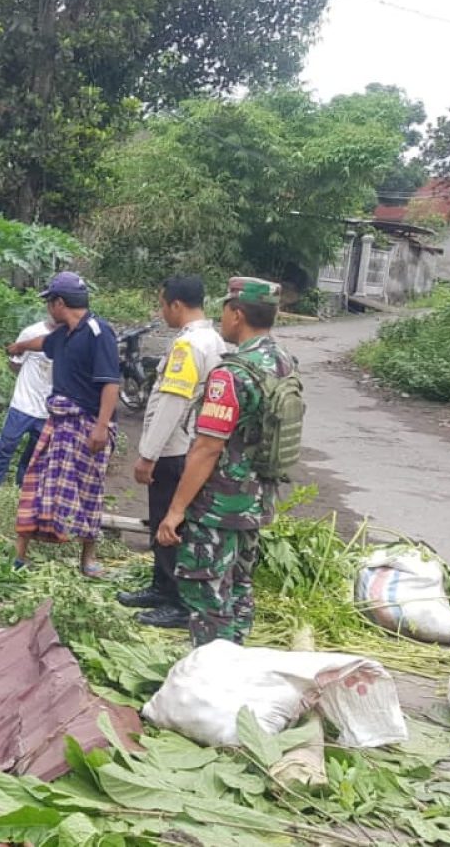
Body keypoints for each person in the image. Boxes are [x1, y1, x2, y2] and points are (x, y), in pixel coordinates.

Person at [157, 277, 300, 646]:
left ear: (237, 314)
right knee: (238, 586)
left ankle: (212, 666)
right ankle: (234, 656)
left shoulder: (231, 374)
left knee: (207, 592)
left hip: (219, 505)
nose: (221, 319)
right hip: (257, 499)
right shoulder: (283, 361)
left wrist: (176, 510)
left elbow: (207, 447)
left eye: (224, 311)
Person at [117, 275, 230, 629]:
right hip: (185, 444)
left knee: (169, 522)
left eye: (162, 304)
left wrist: (148, 454)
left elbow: (172, 403)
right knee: (163, 519)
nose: (161, 311)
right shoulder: (212, 339)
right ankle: (161, 587)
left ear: (176, 305)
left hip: (173, 449)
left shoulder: (188, 345)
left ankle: (177, 602)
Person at [7, 271, 121, 577]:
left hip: (87, 425)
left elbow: (111, 383)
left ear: (59, 303)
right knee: (36, 482)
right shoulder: (64, 334)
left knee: (87, 490)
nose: (48, 309)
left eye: (49, 303)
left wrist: (101, 427)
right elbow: (43, 343)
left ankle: (88, 559)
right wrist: (19, 347)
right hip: (58, 422)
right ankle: (19, 555)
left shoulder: (98, 332)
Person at [0, 318, 55, 492]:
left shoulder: (72, 336)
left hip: (49, 410)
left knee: (37, 456)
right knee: (4, 449)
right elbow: (15, 363)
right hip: (23, 405)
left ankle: (23, 493)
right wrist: (31, 380)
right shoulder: (31, 333)